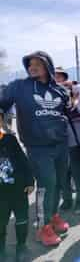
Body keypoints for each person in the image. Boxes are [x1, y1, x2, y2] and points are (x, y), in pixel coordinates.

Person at [0, 51, 71, 246]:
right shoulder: (19, 86)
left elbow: (68, 112)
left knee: (59, 183)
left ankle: (53, 215)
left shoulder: (60, 90)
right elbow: (1, 106)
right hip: (38, 147)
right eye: (29, 64)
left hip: (61, 145)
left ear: (48, 65)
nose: (32, 67)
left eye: (37, 63)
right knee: (46, 186)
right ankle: (43, 227)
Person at [0, 108, 35, 262]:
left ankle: (21, 246)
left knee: (22, 219)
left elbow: (23, 161)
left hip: (18, 189)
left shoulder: (9, 139)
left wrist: (29, 181)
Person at [55, 68, 80, 214]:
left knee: (78, 173)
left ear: (65, 78)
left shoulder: (77, 92)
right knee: (63, 175)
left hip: (75, 142)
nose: (56, 79)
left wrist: (72, 93)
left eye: (59, 77)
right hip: (58, 144)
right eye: (54, 77)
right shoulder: (49, 95)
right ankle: (67, 200)